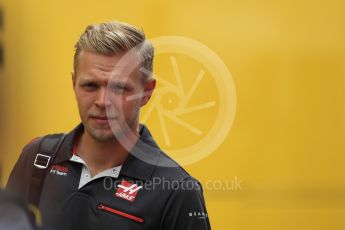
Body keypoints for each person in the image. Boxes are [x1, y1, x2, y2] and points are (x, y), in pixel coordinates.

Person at [6, 21, 211, 230]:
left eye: (119, 87)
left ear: (146, 92)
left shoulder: (177, 191)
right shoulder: (37, 159)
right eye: (90, 85)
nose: (103, 101)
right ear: (74, 83)